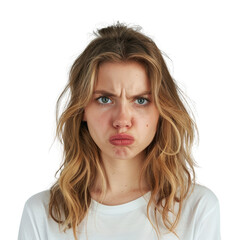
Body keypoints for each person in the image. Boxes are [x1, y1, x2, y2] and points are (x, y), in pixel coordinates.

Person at [18, 22, 221, 240]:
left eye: (141, 100)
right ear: (83, 109)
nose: (122, 120)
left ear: (161, 111)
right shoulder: (42, 213)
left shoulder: (196, 209)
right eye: (105, 99)